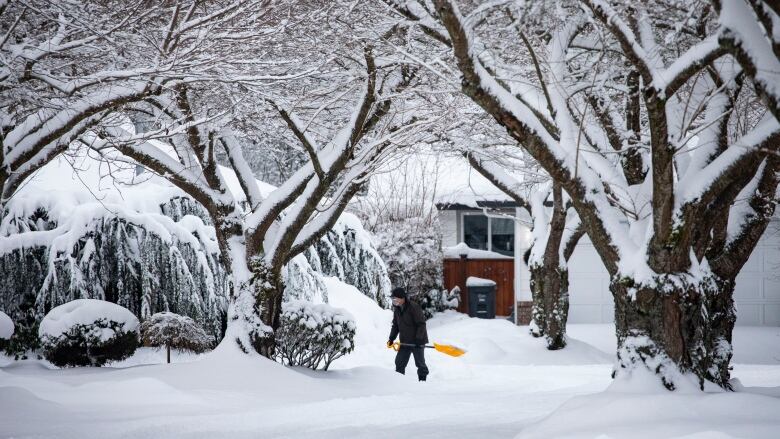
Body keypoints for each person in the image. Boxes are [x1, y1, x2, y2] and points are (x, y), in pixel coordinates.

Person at [387, 287, 429, 381]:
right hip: (405, 341)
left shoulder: (414, 307)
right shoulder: (397, 309)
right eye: (392, 299)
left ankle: (422, 382)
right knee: (399, 362)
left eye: (395, 298)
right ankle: (400, 382)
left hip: (418, 341)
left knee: (420, 363)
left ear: (402, 298)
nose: (393, 301)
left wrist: (418, 339)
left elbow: (421, 324)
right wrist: (391, 339)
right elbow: (395, 326)